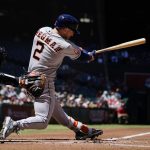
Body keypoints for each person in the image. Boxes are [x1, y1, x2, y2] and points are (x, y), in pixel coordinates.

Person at [0, 14, 103, 140]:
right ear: (65, 28)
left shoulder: (42, 30)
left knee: (58, 112)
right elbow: (84, 57)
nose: (73, 34)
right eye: (72, 31)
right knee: (43, 121)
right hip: (44, 82)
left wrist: (80, 50)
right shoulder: (65, 46)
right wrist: (91, 55)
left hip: (30, 78)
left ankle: (81, 130)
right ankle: (14, 124)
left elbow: (70, 46)